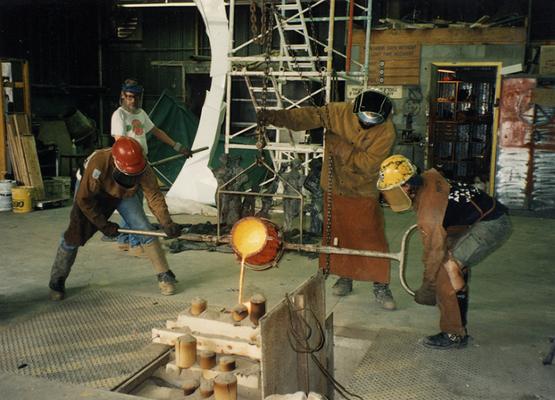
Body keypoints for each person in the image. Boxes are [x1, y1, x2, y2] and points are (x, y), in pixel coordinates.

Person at [258, 90, 397, 310]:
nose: (368, 120)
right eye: (364, 115)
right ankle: (345, 277)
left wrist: (341, 147)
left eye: (374, 118)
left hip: (363, 189)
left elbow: (368, 163)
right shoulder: (338, 112)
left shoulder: (387, 131)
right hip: (335, 185)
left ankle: (381, 284)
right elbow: (306, 116)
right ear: (355, 109)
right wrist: (275, 117)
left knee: (372, 237)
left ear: (384, 116)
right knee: (338, 236)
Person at [376, 154, 511, 349]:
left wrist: (428, 289)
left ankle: (454, 334)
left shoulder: (429, 213)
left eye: (391, 190)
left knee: (446, 272)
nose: (389, 196)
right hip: (474, 218)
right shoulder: (427, 179)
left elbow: (433, 254)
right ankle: (459, 313)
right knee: (452, 266)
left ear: (406, 186)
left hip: (491, 224)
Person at [48, 137, 182, 301]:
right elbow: (84, 200)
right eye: (129, 173)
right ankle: (57, 280)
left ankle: (165, 275)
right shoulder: (98, 163)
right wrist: (103, 224)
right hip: (92, 193)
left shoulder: (142, 165)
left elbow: (153, 195)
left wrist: (166, 222)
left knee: (144, 228)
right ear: (116, 161)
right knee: (74, 236)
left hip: (125, 194)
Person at [110, 78, 191, 255]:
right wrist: (131, 162)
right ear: (123, 96)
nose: (133, 101)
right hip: (127, 164)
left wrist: (177, 146)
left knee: (150, 196)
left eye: (136, 97)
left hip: (142, 161)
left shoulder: (140, 113)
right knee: (132, 201)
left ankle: (132, 237)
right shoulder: (119, 115)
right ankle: (133, 242)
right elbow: (120, 142)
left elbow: (156, 131)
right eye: (130, 97)